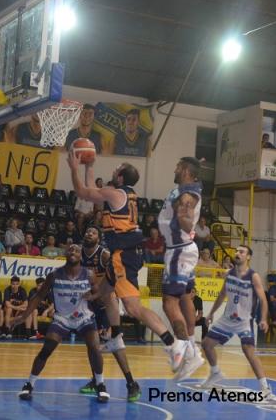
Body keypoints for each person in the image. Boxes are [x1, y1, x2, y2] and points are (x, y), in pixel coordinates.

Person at [67, 151, 188, 374]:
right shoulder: (125, 194)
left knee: (133, 307)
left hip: (124, 256)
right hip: (125, 252)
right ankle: (115, 336)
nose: (114, 170)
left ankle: (173, 345)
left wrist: (74, 167)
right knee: (105, 293)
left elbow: (84, 192)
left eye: (117, 169)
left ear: (121, 177)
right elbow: (93, 191)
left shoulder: (115, 194)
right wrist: (89, 166)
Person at [15, 244, 111, 403]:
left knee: (95, 348)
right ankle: (29, 384)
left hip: (84, 318)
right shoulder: (54, 275)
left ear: (81, 256)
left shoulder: (89, 274)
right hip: (62, 318)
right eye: (70, 249)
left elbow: (98, 296)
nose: (73, 252)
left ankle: (100, 385)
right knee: (46, 349)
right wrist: (23, 316)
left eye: (77, 250)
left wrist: (95, 296)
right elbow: (38, 297)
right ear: (65, 253)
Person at [77, 226, 141, 401]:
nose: (89, 233)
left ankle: (131, 383)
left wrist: (103, 295)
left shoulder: (104, 255)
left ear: (98, 239)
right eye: (87, 231)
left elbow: (114, 281)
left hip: (106, 303)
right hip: (90, 305)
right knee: (91, 344)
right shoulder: (78, 254)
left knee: (116, 345)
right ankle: (96, 381)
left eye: (93, 232)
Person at [201, 245, 272, 398]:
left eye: (242, 252)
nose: (237, 253)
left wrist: (263, 319)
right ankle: (215, 373)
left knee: (248, 351)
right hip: (227, 319)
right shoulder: (229, 274)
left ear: (248, 257)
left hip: (244, 320)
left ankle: (265, 387)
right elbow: (222, 295)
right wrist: (211, 313)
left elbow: (263, 300)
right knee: (206, 344)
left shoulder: (253, 276)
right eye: (237, 251)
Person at [158, 156, 205, 381]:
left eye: (178, 166)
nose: (175, 169)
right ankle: (192, 350)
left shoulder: (188, 193)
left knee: (169, 302)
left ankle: (182, 347)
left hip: (179, 250)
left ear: (186, 170)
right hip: (181, 248)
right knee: (185, 297)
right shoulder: (184, 190)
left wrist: (183, 214)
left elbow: (186, 221)